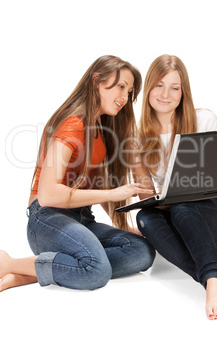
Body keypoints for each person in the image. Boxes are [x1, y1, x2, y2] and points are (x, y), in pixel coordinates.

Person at [0, 55, 155, 292]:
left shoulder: (99, 129)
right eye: (120, 86)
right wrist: (114, 194)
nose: (125, 97)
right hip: (46, 219)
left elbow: (98, 186)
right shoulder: (72, 125)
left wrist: (121, 224)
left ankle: (30, 273)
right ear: (96, 81)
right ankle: (8, 264)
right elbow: (49, 195)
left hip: (81, 219)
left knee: (141, 251)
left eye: (130, 91)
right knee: (97, 271)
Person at [134, 54, 217, 320]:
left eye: (175, 87)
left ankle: (211, 278)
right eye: (159, 85)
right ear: (149, 88)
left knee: (183, 204)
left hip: (216, 216)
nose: (166, 94)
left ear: (183, 92)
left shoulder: (204, 120)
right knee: (145, 217)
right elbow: (146, 195)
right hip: (177, 218)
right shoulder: (138, 136)